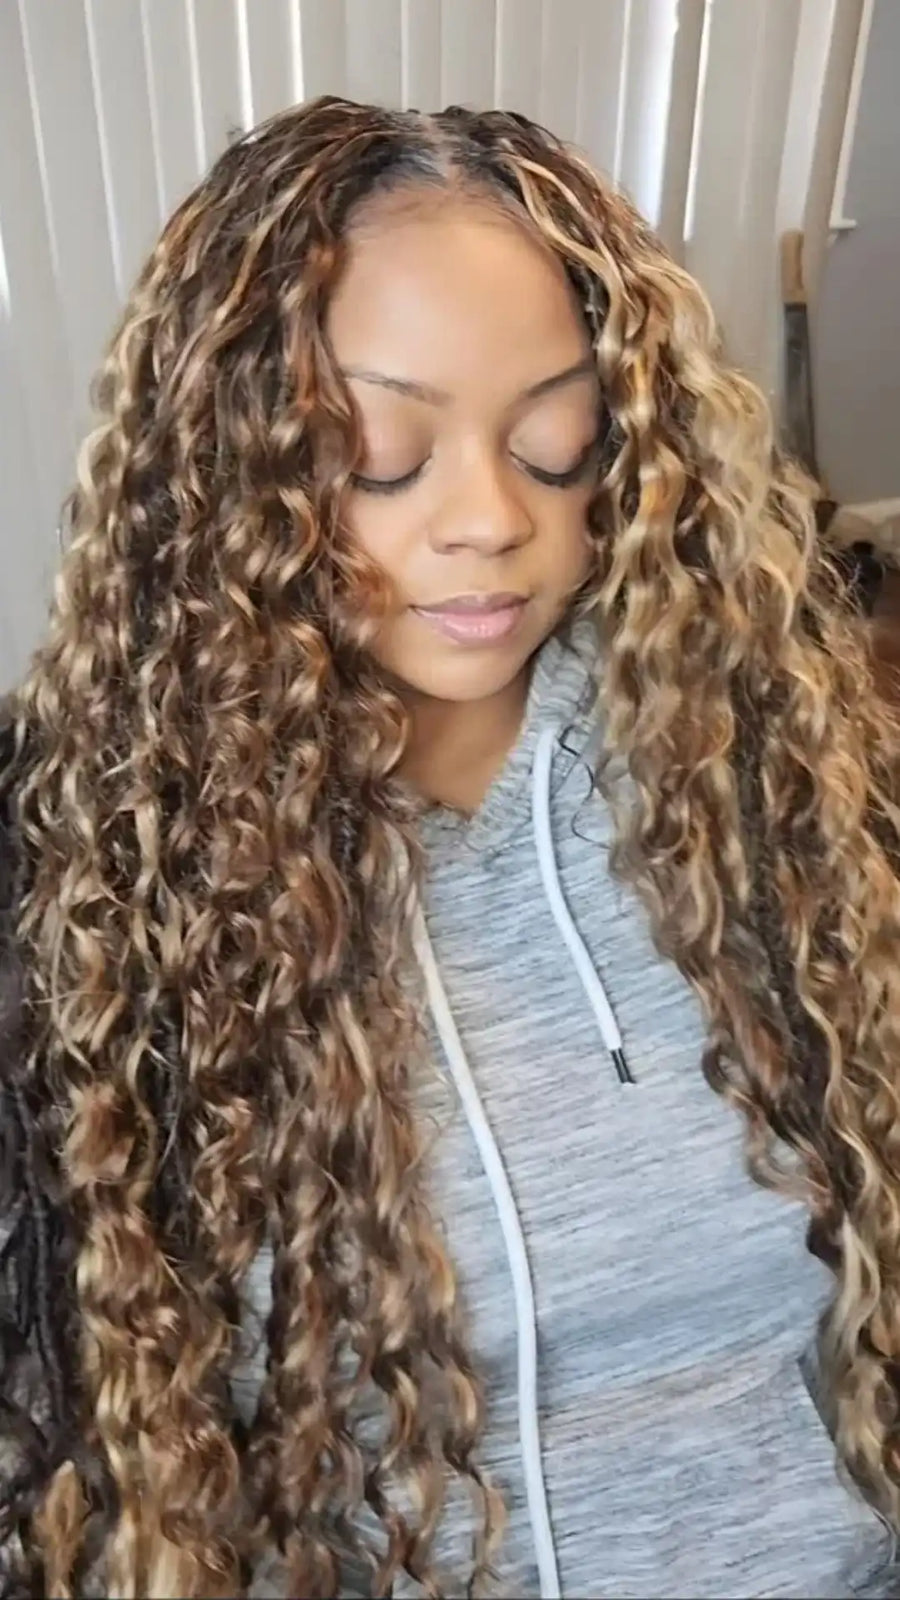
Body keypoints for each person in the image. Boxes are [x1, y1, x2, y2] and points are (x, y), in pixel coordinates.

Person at [1, 95, 899, 1600]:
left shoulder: (777, 788)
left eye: (557, 441)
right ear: (232, 469)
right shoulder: (101, 896)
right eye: (376, 452)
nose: (490, 520)